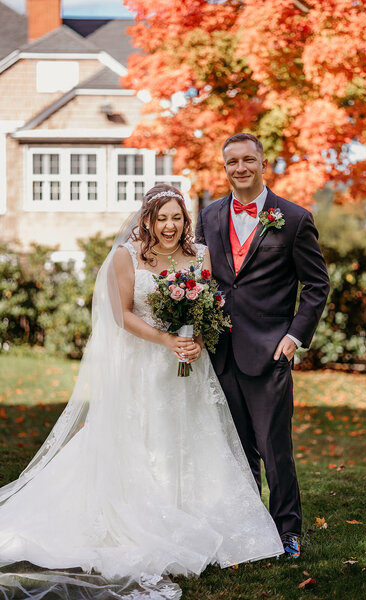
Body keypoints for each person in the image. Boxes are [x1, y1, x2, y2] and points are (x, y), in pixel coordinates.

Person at [0, 184, 283, 600]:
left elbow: (209, 306)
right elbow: (123, 315)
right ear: (146, 220)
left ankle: (200, 513)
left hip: (190, 361)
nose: (169, 226)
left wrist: (198, 340)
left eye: (177, 218)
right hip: (146, 365)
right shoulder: (126, 255)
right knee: (148, 437)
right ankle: (147, 514)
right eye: (160, 218)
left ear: (186, 220)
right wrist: (167, 341)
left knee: (195, 437)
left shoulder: (200, 256)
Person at [196, 134, 330, 559]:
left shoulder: (293, 218)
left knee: (275, 450)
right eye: (232, 161)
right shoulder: (209, 215)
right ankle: (249, 530)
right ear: (225, 167)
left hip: (271, 351)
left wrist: (293, 339)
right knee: (236, 449)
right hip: (220, 350)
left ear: (263, 163)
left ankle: (287, 531)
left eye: (248, 160)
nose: (240, 168)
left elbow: (316, 284)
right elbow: (203, 278)